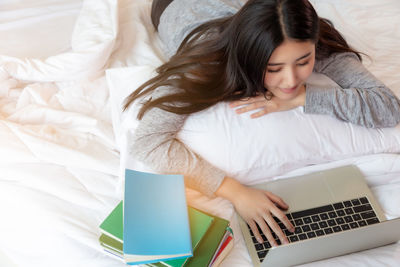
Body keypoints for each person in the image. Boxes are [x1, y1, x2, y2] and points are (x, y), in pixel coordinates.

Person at [124, 0, 400, 247]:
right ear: (249, 59)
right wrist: (235, 192)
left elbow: (388, 108)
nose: (291, 81)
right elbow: (148, 143)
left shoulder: (319, 44)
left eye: (303, 62)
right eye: (273, 69)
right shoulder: (208, 64)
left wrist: (305, 98)